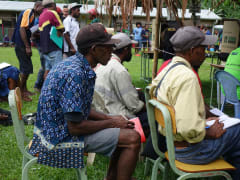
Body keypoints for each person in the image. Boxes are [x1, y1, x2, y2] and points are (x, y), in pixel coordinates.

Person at [28, 23, 141, 180]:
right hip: (56, 140)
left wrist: (110, 118)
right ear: (94, 49)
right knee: (132, 138)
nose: (112, 50)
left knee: (123, 127)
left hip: (52, 131)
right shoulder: (76, 74)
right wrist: (112, 123)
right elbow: (74, 127)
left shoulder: (75, 64)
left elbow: (80, 110)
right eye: (107, 47)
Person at [150, 26, 240, 180]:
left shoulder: (168, 69)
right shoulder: (188, 77)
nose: (206, 53)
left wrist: (202, 122)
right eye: (203, 49)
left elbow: (179, 115)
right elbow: (188, 128)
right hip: (191, 152)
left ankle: (234, 172)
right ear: (192, 51)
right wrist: (207, 131)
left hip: (171, 145)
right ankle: (239, 175)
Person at [93, 33, 149, 131]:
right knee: (155, 119)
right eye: (131, 48)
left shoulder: (102, 63)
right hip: (118, 116)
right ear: (126, 49)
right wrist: (150, 107)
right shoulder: (119, 70)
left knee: (140, 95)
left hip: (103, 111)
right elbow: (134, 106)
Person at [11, 1, 43, 99]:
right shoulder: (28, 12)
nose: (43, 10)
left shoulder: (33, 16)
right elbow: (22, 29)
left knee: (26, 67)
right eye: (42, 8)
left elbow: (27, 29)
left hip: (23, 44)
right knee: (26, 68)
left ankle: (24, 90)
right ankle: (20, 93)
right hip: (21, 44)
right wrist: (27, 46)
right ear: (37, 6)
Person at [39, 0, 64, 79]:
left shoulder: (41, 15)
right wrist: (60, 31)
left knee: (48, 71)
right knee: (58, 72)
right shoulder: (52, 13)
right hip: (54, 47)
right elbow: (61, 27)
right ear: (53, 5)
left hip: (45, 48)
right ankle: (57, 90)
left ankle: (45, 89)